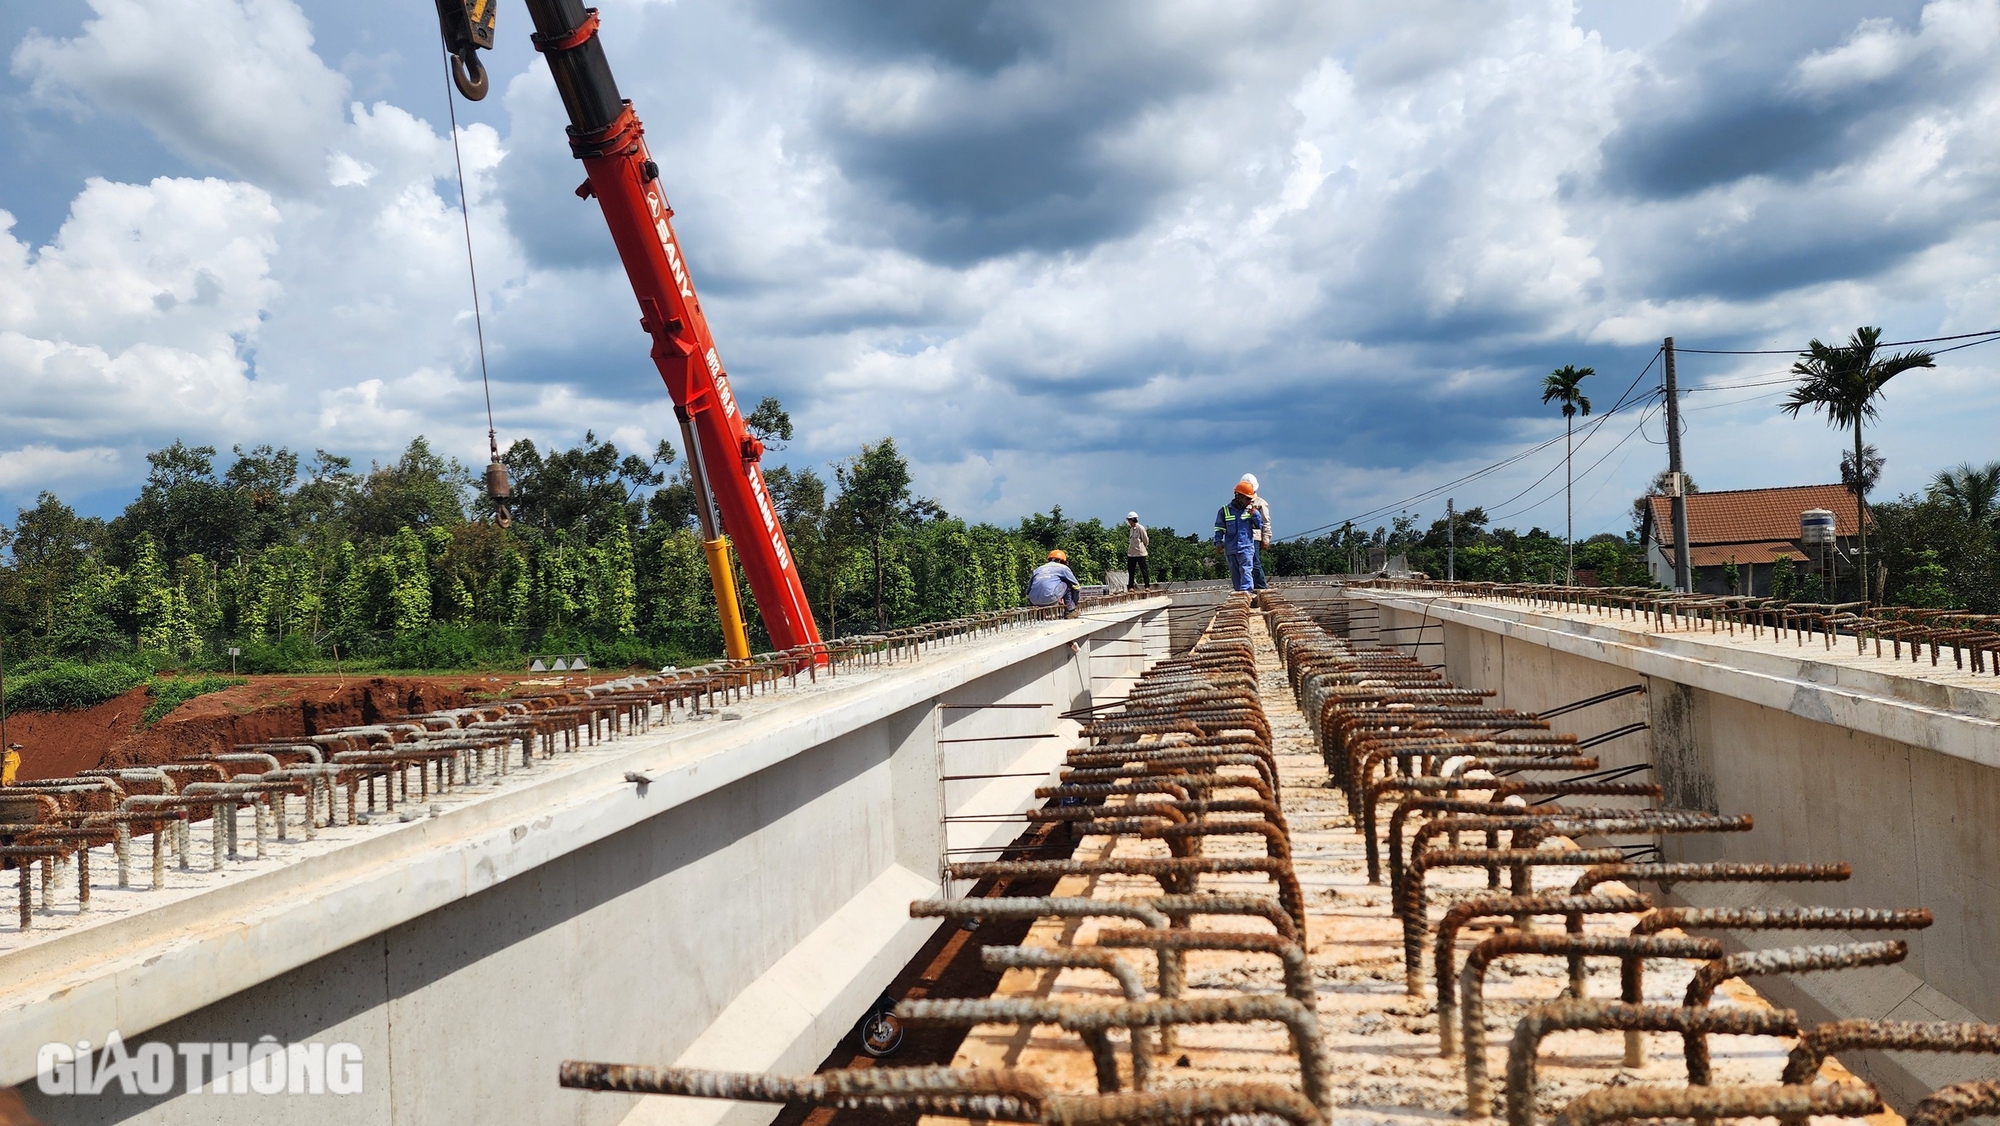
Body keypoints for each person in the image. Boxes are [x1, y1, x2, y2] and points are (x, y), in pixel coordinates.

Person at [1214, 481, 1265, 592]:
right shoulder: (1225, 511)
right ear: (1239, 496)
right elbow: (1219, 528)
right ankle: (1239, 594)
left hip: (1246, 548)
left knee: (1246, 570)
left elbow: (1260, 525)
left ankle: (1246, 593)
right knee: (1235, 573)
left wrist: (1255, 514)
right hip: (1231, 549)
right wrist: (1218, 542)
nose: (1249, 501)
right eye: (1247, 499)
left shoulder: (1251, 510)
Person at [1027, 549, 1082, 618]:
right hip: (1050, 598)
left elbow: (1028, 591)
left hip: (1034, 600)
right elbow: (1076, 586)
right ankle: (1070, 611)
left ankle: (1039, 613)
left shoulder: (1038, 569)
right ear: (1060, 561)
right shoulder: (1063, 568)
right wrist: (1074, 602)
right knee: (1068, 582)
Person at [1240, 473, 1272, 590]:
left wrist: (1266, 538)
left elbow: (1266, 522)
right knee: (1244, 564)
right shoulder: (1239, 504)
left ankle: (1261, 587)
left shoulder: (1260, 503)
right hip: (1242, 538)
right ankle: (1248, 587)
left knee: (1254, 563)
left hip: (1254, 538)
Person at [1124, 512, 1151, 589]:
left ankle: (1147, 586)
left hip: (1140, 553)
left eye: (1130, 520)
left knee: (1143, 570)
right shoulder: (1131, 530)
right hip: (1132, 554)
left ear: (1133, 520)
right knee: (1131, 571)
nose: (1129, 522)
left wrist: (1142, 547)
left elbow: (1145, 540)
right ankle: (1131, 587)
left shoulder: (1140, 528)